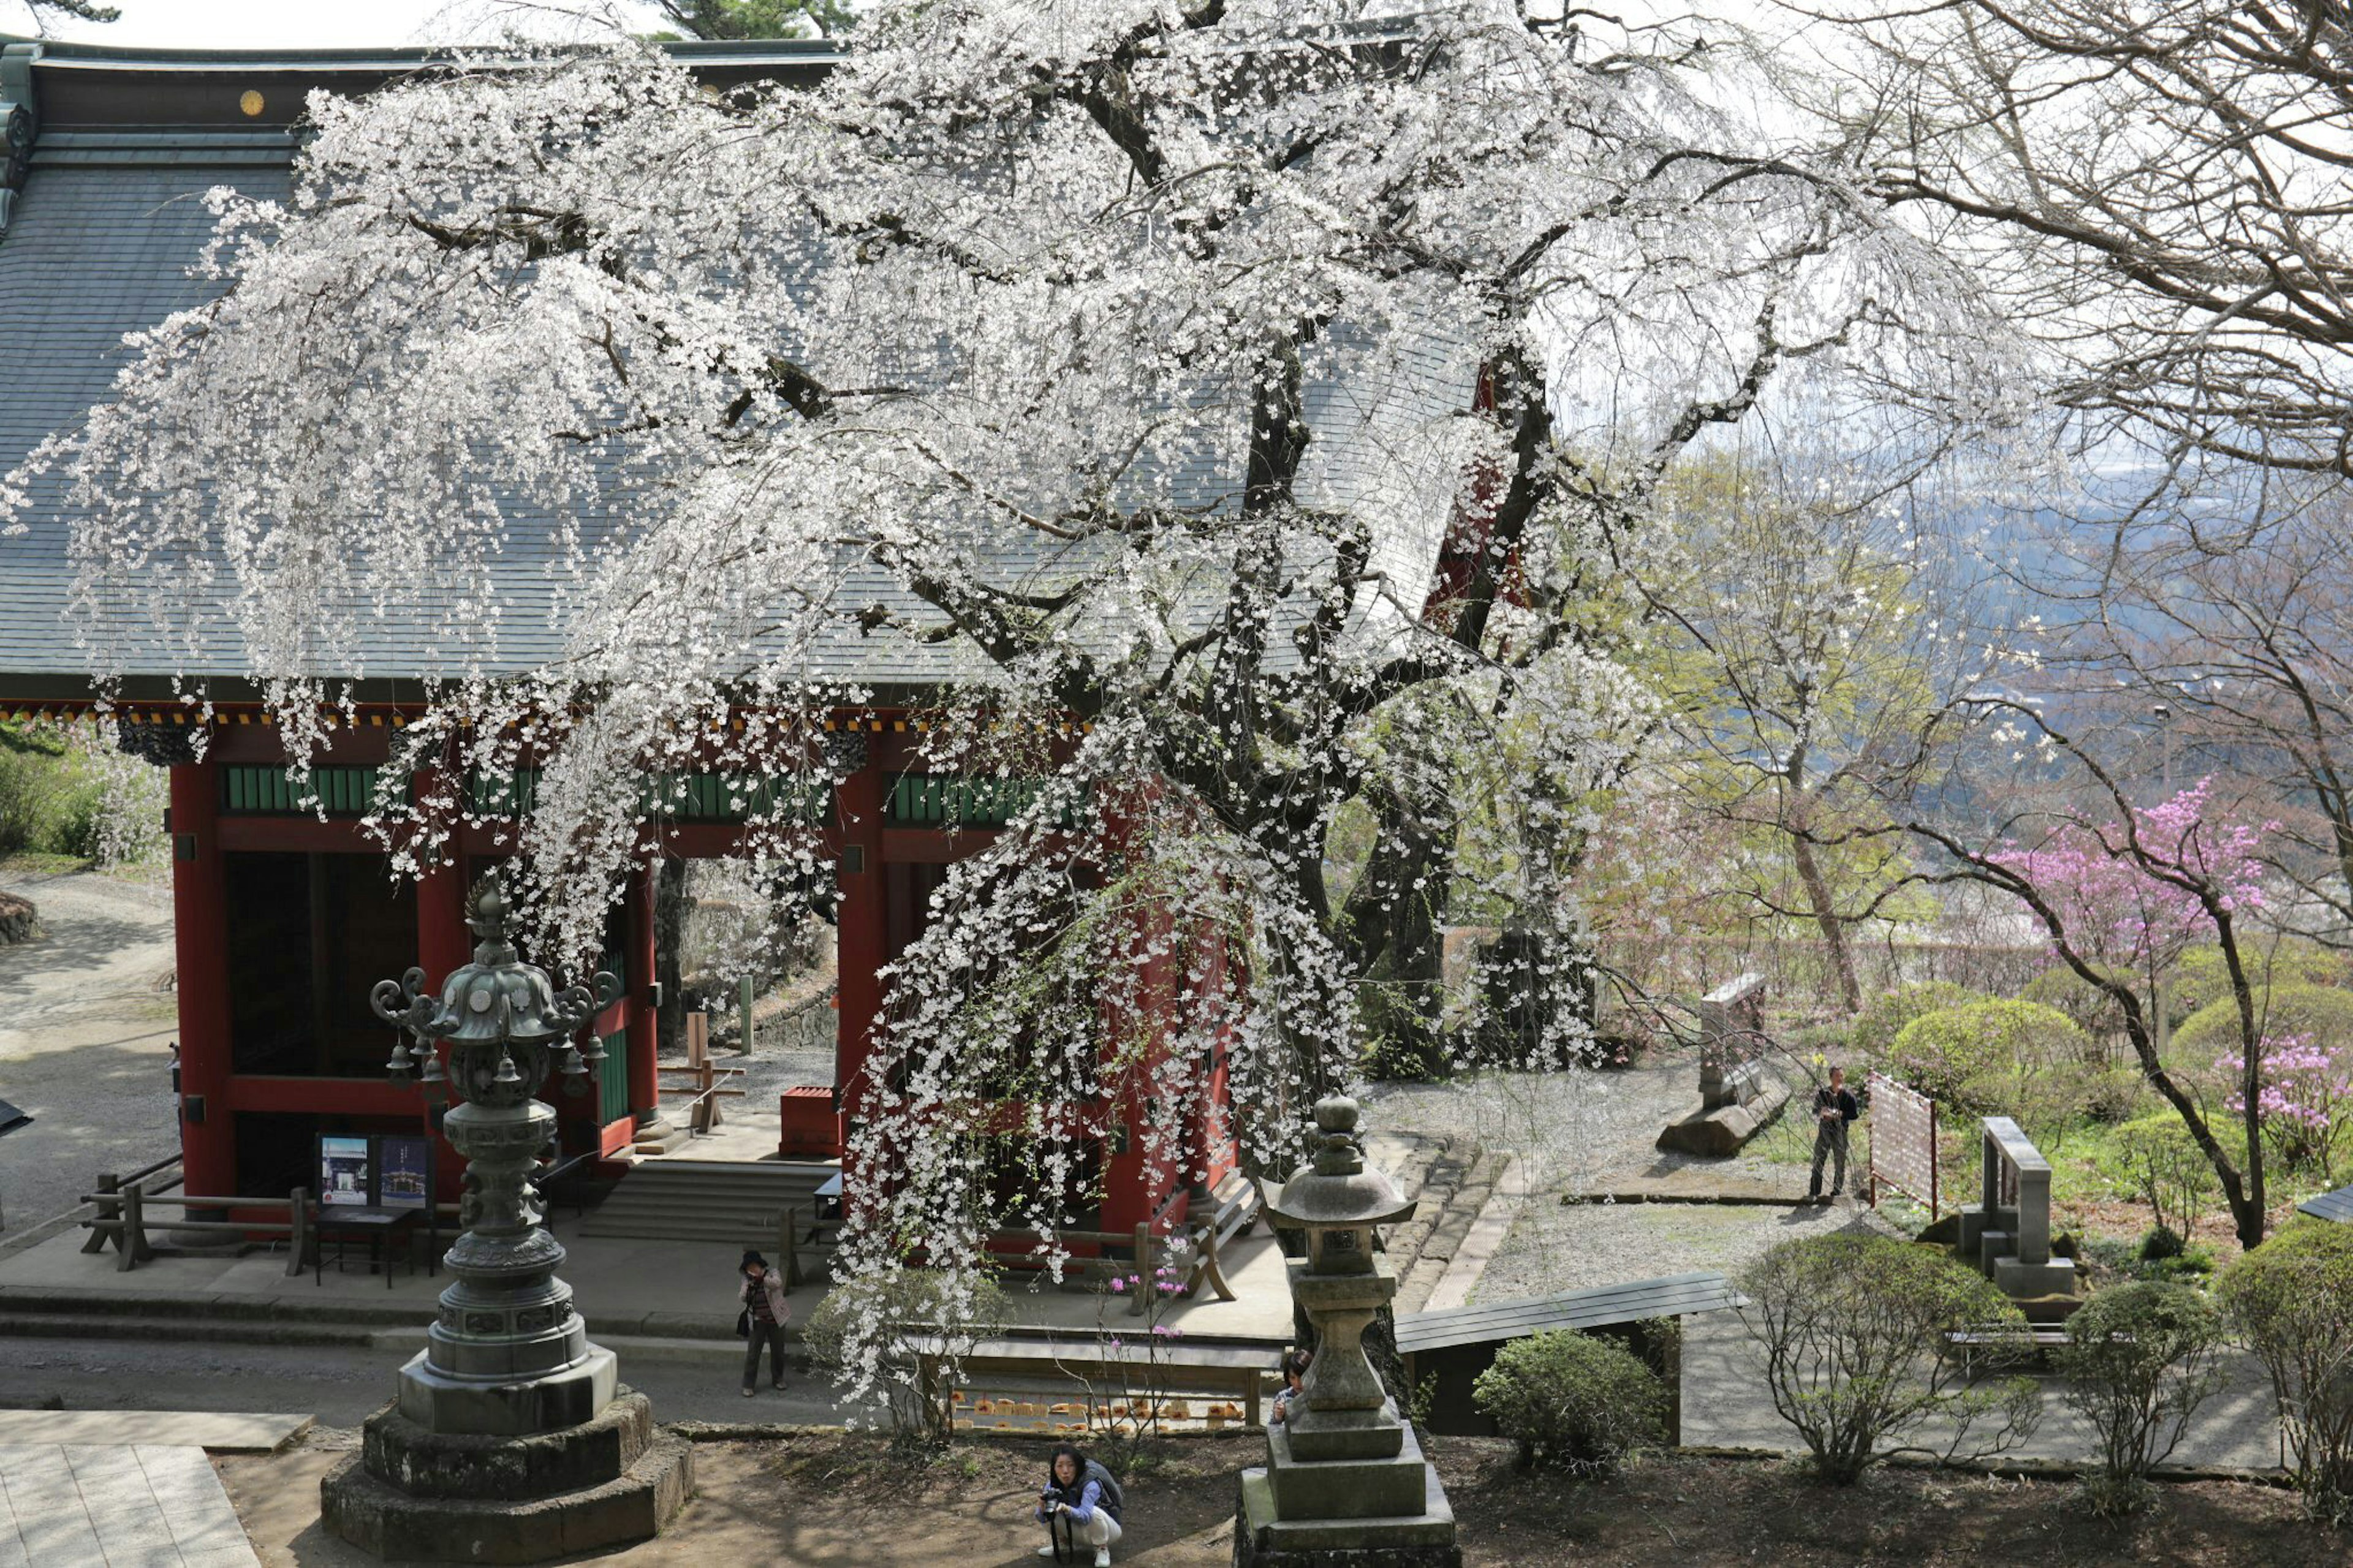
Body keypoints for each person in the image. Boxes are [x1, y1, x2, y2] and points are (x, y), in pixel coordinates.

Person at [1034, 1440, 1123, 1566]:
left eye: (1070, 1465)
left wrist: (1068, 1510)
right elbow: (1041, 1519)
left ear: (1078, 1466)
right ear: (1054, 1469)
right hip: (1080, 1530)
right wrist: (1041, 1509)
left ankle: (1102, 1549)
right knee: (1051, 1508)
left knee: (1095, 1512)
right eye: (1060, 1466)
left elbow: (1087, 1516)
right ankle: (1062, 1543)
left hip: (1109, 1531)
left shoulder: (1090, 1484)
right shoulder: (1052, 1486)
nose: (1065, 1471)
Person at [737, 1249, 790, 1396]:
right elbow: (742, 1297)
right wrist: (749, 1285)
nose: (752, 1269)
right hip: (757, 1320)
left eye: (754, 1266)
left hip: (776, 1319)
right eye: (749, 1267)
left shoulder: (772, 1273)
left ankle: (778, 1378)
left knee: (778, 1351)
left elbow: (778, 1284)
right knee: (753, 1353)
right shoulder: (747, 1280)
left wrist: (762, 1278)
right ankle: (748, 1384)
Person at [1808, 1066, 1861, 1203]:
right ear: (1831, 1077)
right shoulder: (1823, 1094)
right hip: (1824, 1130)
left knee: (1840, 1162)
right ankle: (1814, 1191)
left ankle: (1837, 1191)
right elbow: (1815, 1111)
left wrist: (1841, 1114)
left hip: (1840, 1132)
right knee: (1818, 1159)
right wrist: (1823, 1112)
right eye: (1837, 1076)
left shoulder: (1848, 1096)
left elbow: (1854, 1115)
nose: (1840, 1078)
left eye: (1842, 1076)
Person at [1270, 1349, 1312, 1425]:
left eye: (1301, 1377)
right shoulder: (1283, 1397)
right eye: (1293, 1378)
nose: (1297, 1383)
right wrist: (1278, 1417)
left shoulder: (1317, 1397)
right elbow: (1273, 1428)